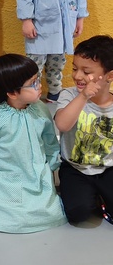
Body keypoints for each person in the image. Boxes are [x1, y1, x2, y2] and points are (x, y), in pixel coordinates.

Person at [0, 54, 66, 233]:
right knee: (9, 217)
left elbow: (50, 141)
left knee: (51, 212)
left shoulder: (40, 109)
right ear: (12, 93)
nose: (40, 86)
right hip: (7, 174)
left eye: (38, 79)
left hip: (36, 173)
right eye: (33, 83)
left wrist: (53, 165)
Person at [55, 35, 113, 224]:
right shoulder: (69, 95)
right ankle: (94, 197)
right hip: (75, 167)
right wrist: (83, 97)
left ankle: (101, 197)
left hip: (108, 167)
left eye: (86, 71)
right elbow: (63, 124)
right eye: (74, 68)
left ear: (110, 76)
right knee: (78, 213)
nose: (77, 76)